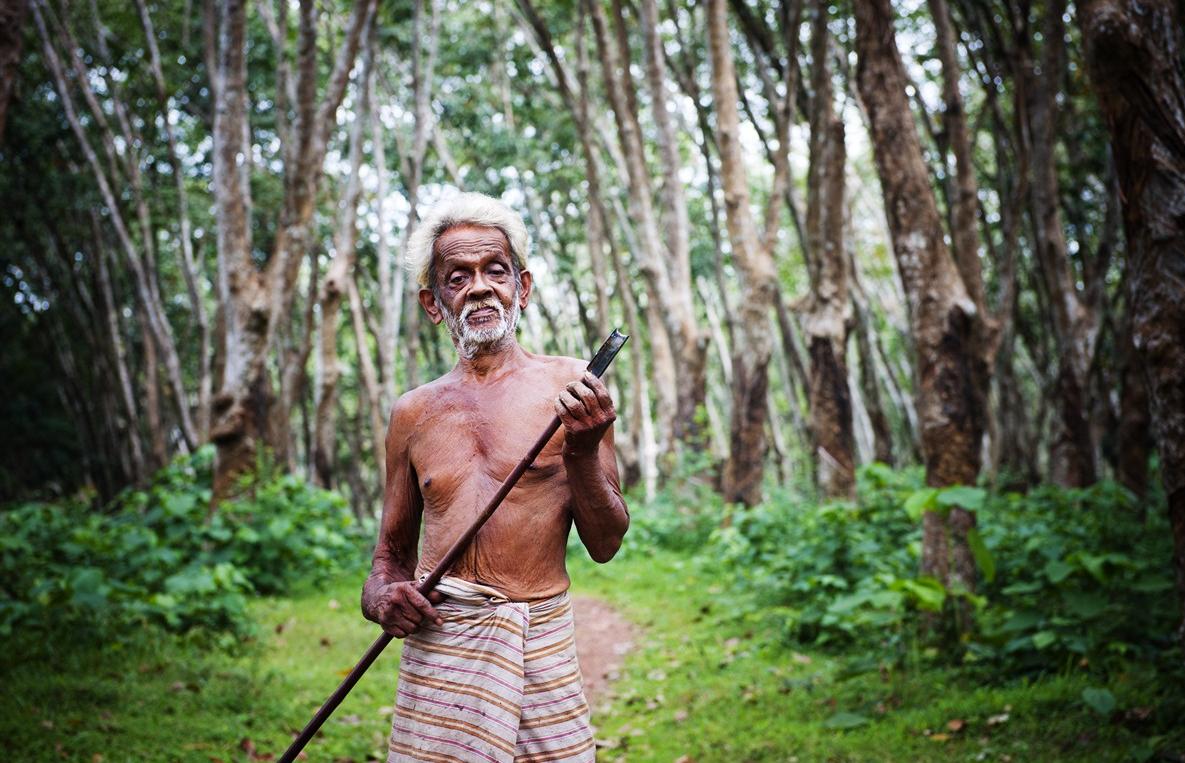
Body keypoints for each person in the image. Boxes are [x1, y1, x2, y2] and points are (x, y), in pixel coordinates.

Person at [361, 192, 630, 762]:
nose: (480, 287)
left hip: (538, 639)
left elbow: (605, 544)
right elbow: (389, 558)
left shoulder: (574, 387)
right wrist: (384, 598)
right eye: (458, 277)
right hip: (443, 646)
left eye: (495, 271)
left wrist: (581, 453)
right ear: (434, 304)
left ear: (522, 288)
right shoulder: (413, 413)